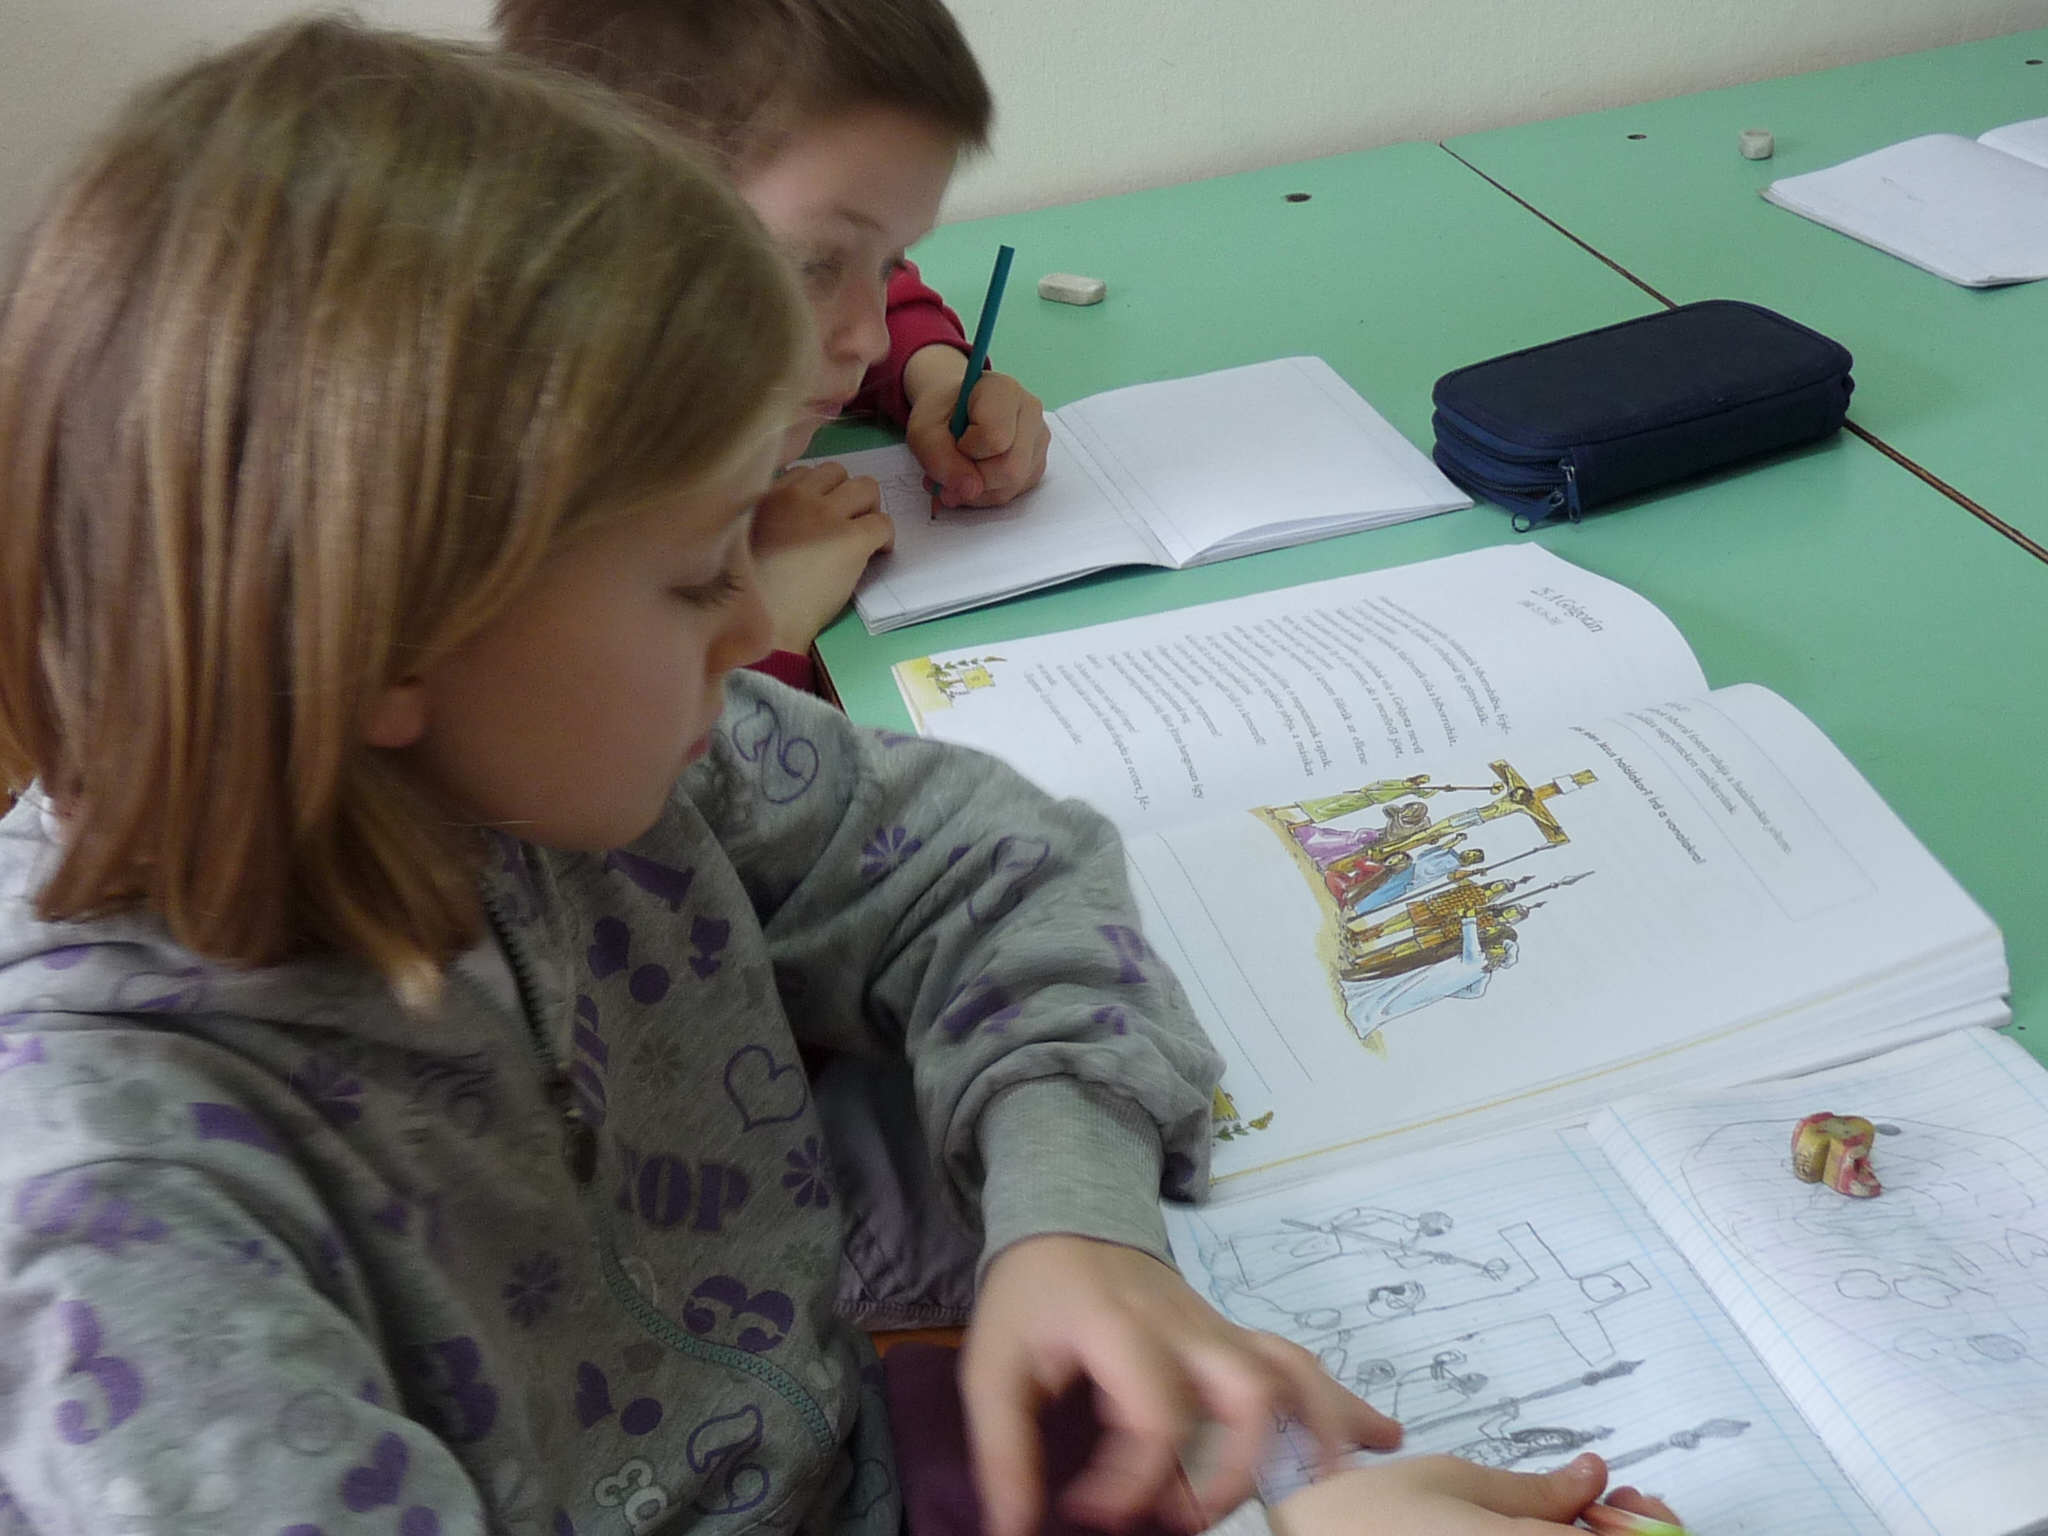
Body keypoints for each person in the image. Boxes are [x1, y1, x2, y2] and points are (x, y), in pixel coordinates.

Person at [0, 20, 1682, 1536]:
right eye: (693, 575)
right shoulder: (126, 1244)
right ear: (387, 634)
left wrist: (1070, 1215)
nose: (758, 624)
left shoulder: (549, 763)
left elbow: (1001, 860)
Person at [496, 0, 1056, 687]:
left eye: (885, 262)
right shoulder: (530, 544)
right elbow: (673, 754)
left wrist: (935, 376)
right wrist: (767, 621)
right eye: (814, 266)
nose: (872, 337)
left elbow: (890, 298)